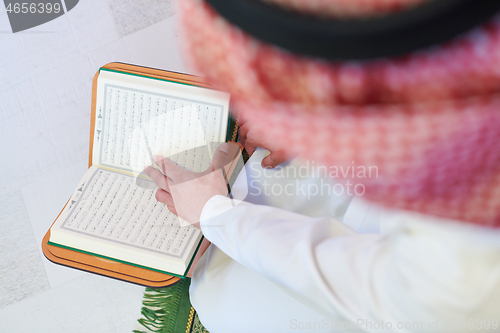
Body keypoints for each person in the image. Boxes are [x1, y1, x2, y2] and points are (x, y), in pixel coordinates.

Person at [144, 0, 500, 331]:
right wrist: (310, 128)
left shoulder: (469, 281)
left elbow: (355, 284)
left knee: (220, 299)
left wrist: (217, 216)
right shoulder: (455, 101)